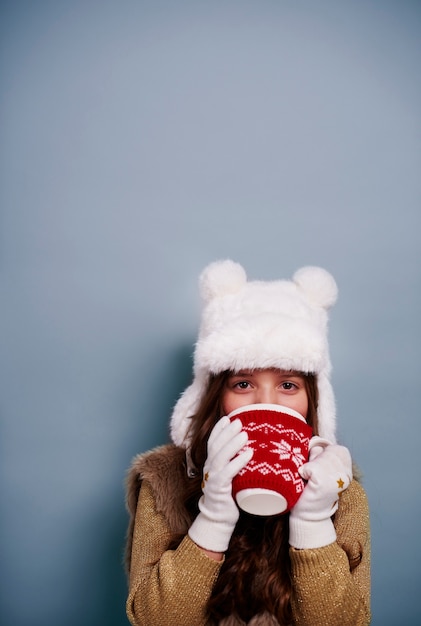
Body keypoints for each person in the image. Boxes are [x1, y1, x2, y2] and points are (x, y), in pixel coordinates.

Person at [125, 260, 371, 626]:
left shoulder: (339, 487)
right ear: (214, 397)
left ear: (313, 400)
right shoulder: (163, 482)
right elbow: (152, 619)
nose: (265, 402)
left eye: (288, 385)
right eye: (243, 384)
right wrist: (213, 517)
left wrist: (314, 522)